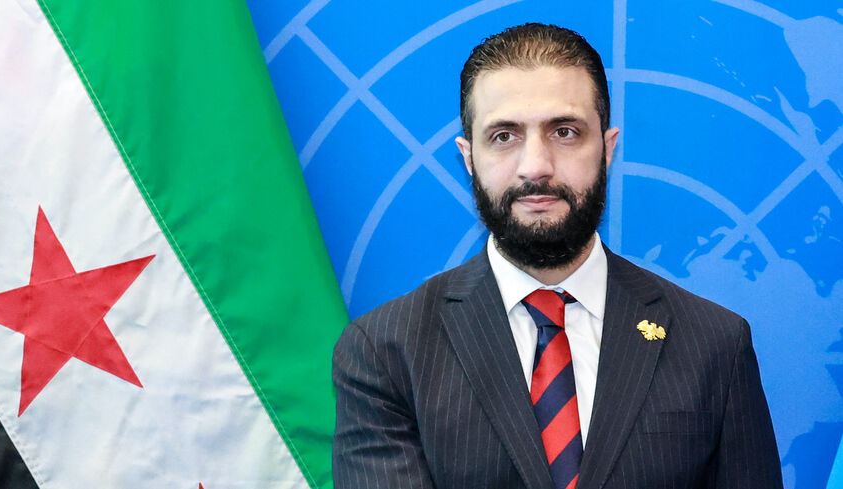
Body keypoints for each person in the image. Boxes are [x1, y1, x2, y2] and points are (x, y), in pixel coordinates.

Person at [332, 23, 783, 489]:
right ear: (468, 158)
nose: (535, 167)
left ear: (607, 149)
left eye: (564, 132)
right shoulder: (386, 352)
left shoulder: (715, 344)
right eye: (504, 136)